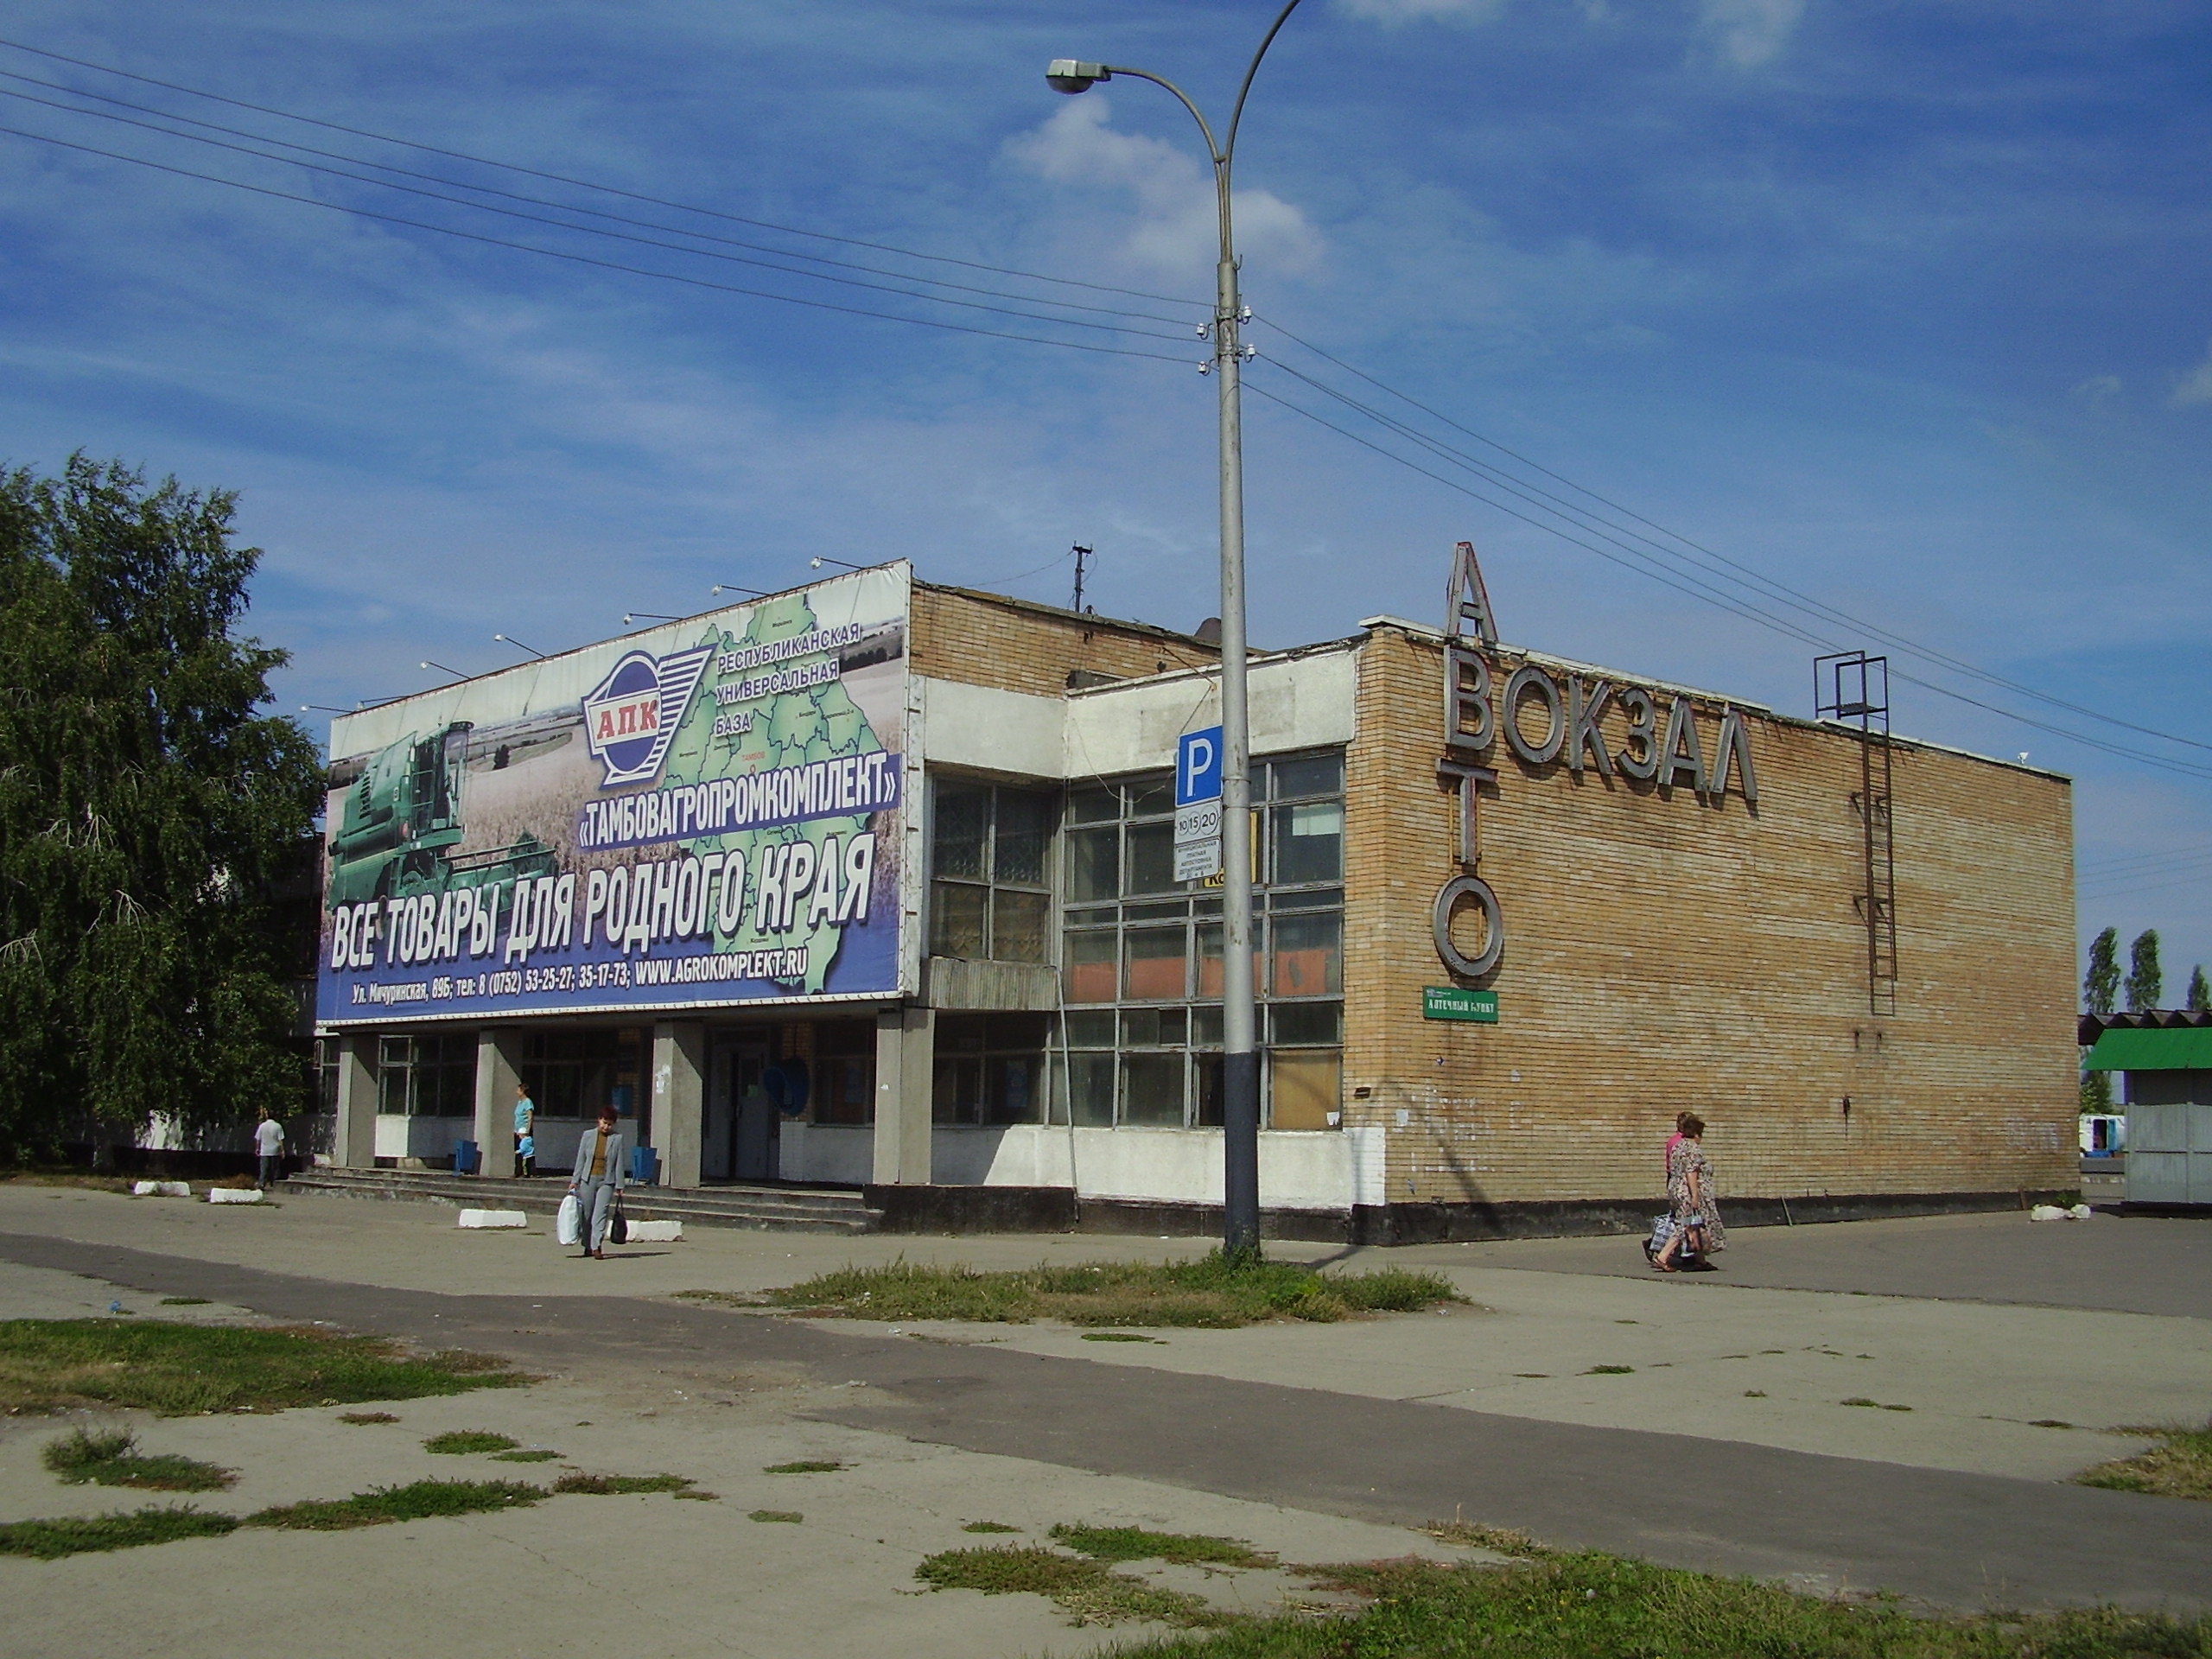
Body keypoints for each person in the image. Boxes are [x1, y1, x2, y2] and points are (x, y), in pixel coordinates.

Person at [1653, 1114, 1726, 1272]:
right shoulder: (1693, 1149)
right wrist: (1695, 1196)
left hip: (1675, 1189)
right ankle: (1662, 1256)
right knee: (1685, 1225)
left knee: (1695, 1223)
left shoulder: (1678, 1147)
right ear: (1697, 1134)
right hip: (1686, 1191)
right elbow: (1691, 1172)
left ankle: (1700, 1260)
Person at [566, 1108, 626, 1260]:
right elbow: (581, 1160)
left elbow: (619, 1162)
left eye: (610, 1124)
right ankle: (587, 1244)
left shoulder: (617, 1139)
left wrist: (620, 1185)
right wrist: (575, 1181)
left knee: (600, 1214)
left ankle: (596, 1246)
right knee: (587, 1214)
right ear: (599, 1120)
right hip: (588, 1179)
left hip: (606, 1181)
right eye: (604, 1123)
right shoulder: (588, 1136)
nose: (606, 1127)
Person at [253, 1109, 284, 1188]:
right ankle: (274, 1184)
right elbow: (280, 1140)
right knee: (274, 1169)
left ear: (267, 1116)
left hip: (264, 1151)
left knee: (264, 1169)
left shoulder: (262, 1126)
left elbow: (258, 1139)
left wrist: (257, 1148)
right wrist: (282, 1150)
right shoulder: (278, 1126)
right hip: (275, 1151)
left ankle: (262, 1184)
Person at [512, 1084, 537, 1179]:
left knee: (527, 1151)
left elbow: (530, 1116)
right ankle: (518, 1171)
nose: (517, 1092)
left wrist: (527, 1130)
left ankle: (530, 1172)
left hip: (524, 1131)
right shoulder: (520, 1102)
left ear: (522, 1091)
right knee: (518, 1151)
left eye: (518, 1090)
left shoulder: (527, 1102)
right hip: (518, 1131)